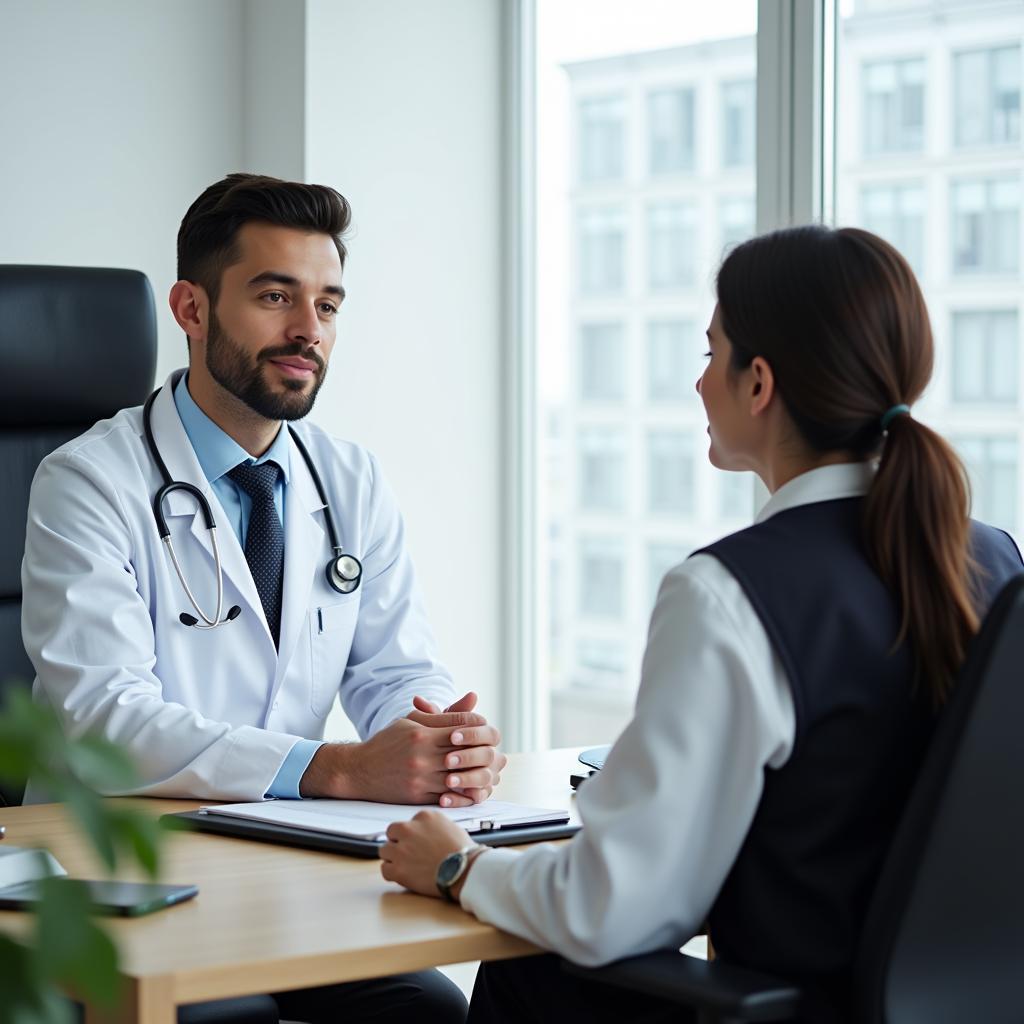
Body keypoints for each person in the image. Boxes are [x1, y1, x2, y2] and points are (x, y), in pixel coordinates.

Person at [377, 225, 1024, 1023]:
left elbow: (611, 907)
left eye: (710, 354)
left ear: (759, 383)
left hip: (795, 1007)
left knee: (532, 971)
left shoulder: (729, 592)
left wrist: (458, 867)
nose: (698, 384)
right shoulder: (994, 560)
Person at [22, 172, 505, 1021]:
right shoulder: (88, 480)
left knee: (430, 1013)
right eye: (275, 296)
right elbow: (102, 718)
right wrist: (339, 767)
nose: (306, 331)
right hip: (116, 879)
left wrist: (441, 742)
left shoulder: (347, 477)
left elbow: (395, 669)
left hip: (279, 871)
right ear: (191, 308)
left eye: (328, 305)